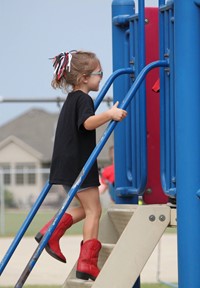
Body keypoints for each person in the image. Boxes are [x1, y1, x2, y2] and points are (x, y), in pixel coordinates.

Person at [35, 50, 127, 281]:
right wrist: (110, 114)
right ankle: (87, 263)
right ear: (85, 77)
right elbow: (87, 123)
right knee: (95, 210)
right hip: (78, 165)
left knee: (87, 209)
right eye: (99, 73)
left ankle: (52, 230)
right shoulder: (84, 99)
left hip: (65, 165)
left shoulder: (71, 100)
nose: (101, 78)